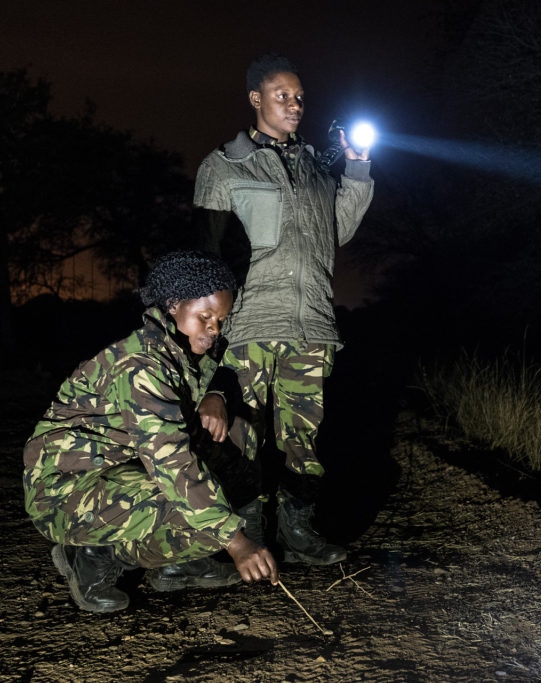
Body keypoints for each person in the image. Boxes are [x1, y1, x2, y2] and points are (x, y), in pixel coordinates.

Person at [22, 250, 279, 614]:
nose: (215, 329)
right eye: (205, 317)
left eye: (221, 320)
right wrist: (236, 542)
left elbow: (226, 370)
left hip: (121, 472)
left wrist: (217, 394)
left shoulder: (180, 353)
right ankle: (95, 555)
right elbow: (171, 463)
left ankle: (180, 564)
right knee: (204, 509)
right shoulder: (141, 364)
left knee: (236, 447)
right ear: (173, 305)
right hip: (64, 491)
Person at [192, 53, 374, 565]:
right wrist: (208, 327)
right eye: (282, 96)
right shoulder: (225, 166)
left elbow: (338, 232)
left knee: (303, 437)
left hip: (310, 325)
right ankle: (245, 534)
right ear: (256, 98)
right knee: (241, 434)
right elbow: (206, 252)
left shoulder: (315, 166)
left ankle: (299, 531)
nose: (294, 105)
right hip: (249, 324)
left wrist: (358, 166)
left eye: (299, 98)